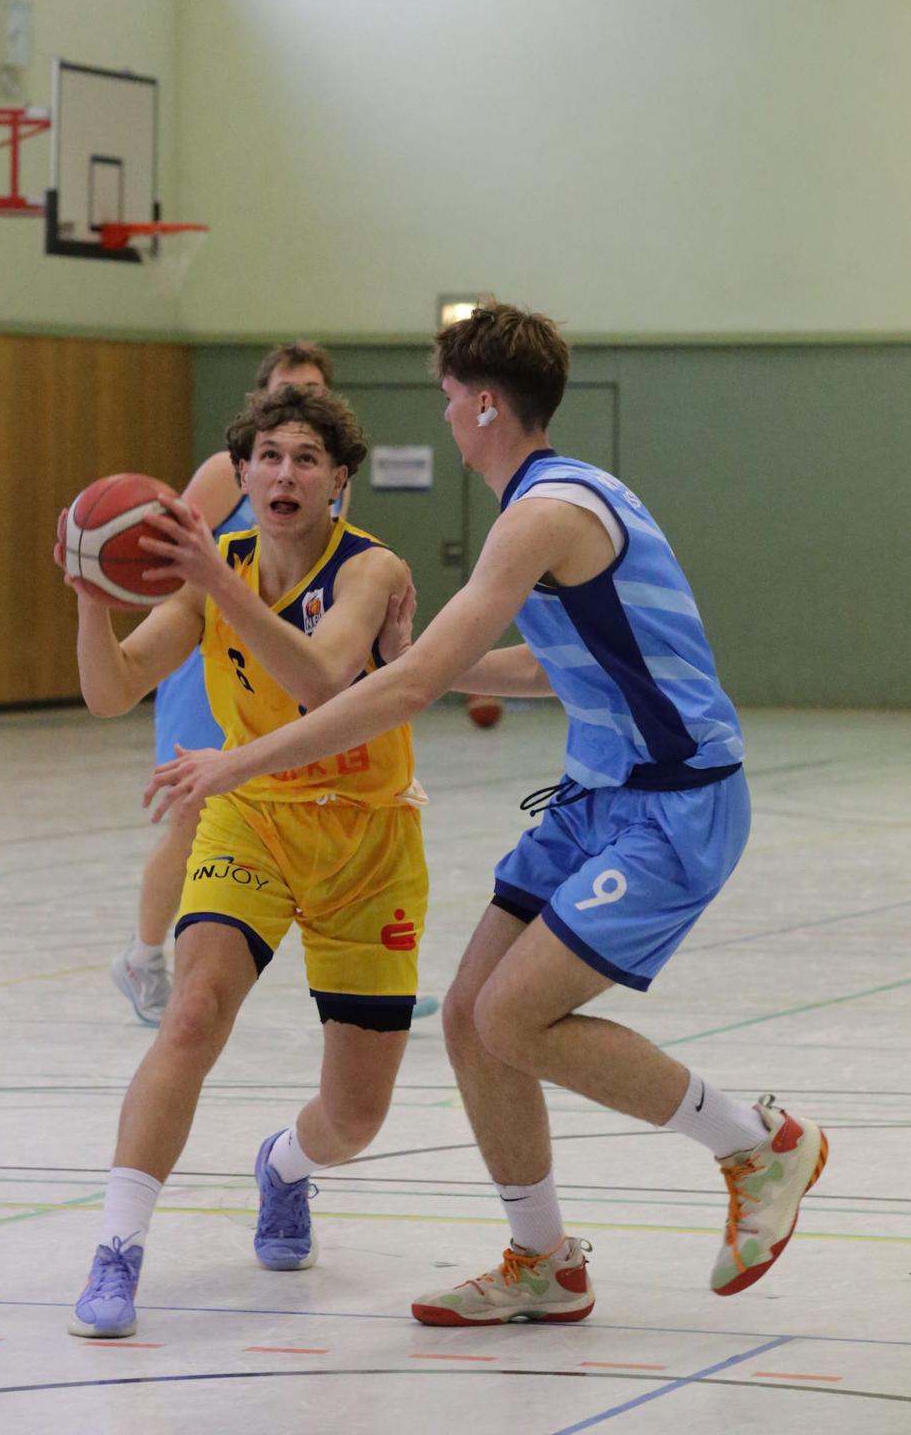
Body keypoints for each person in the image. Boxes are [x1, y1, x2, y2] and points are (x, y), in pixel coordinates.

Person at [145, 300, 828, 1325]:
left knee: (513, 1013)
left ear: (480, 405)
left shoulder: (543, 512)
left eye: (447, 399)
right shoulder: (559, 503)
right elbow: (549, 668)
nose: (446, 417)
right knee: (469, 1019)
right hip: (600, 794)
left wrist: (245, 758)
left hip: (673, 804)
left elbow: (409, 689)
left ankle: (757, 1142)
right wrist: (413, 662)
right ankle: (544, 1259)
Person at [59, 382, 427, 1339]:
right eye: (268, 457)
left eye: (306, 458)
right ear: (245, 474)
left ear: (338, 481)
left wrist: (220, 587)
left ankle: (286, 1168)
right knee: (191, 1013)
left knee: (355, 1120)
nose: (284, 474)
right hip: (252, 818)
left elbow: (317, 674)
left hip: (368, 842)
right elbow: (113, 692)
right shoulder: (211, 569)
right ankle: (117, 1251)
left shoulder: (370, 571)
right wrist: (93, 600)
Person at [111, 342, 344, 1026]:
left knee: (310, 814)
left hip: (277, 669)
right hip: (209, 663)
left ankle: (359, 964)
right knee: (194, 820)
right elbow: (162, 552)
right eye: (287, 387)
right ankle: (143, 957)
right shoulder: (227, 470)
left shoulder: (326, 474)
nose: (302, 397)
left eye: (314, 388)